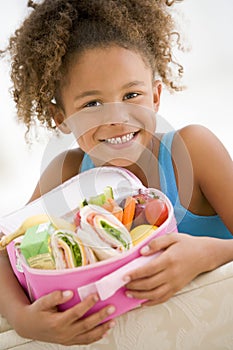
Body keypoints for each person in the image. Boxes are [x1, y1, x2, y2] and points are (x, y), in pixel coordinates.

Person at [0, 0, 233, 346]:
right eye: (92, 104)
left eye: (131, 94)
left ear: (155, 97)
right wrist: (21, 318)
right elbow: (6, 247)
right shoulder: (67, 171)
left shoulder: (193, 150)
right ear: (60, 117)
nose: (116, 118)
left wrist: (206, 254)